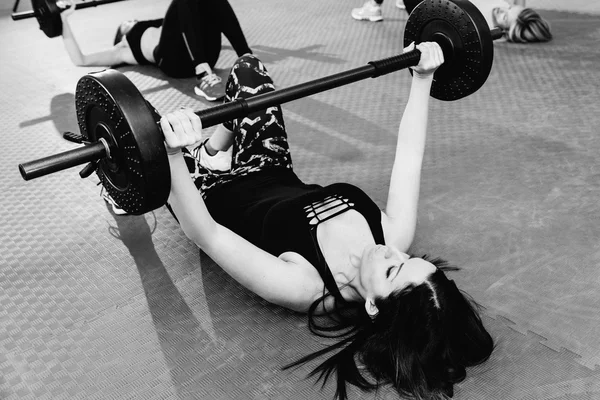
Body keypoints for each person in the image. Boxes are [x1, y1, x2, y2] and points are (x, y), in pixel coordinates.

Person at [156, 42, 494, 400]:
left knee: (143, 127)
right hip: (268, 166)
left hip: (205, 194)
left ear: (373, 306)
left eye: (393, 270)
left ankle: (199, 159)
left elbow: (206, 234)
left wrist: (172, 153)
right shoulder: (394, 235)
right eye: (410, 260)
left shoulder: (305, 287)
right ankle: (211, 150)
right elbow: (409, 155)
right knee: (248, 69)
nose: (392, 253)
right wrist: (423, 77)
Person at [59, 0, 252, 101]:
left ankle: (248, 59)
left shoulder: (157, 24)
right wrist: (63, 20)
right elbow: (80, 60)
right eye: (125, 24)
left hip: (205, 54)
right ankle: (204, 76)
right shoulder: (123, 48)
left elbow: (190, 23)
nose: (128, 21)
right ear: (122, 32)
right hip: (176, 63)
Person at [351, 0, 552, 43]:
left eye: (505, 16)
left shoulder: (481, 26)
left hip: (429, 9)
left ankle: (374, 7)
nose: (502, 9)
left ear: (505, 30)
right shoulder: (500, 7)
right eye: (509, 8)